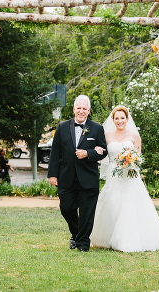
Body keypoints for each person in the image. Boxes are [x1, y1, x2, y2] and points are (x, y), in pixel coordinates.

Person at [89, 105, 159, 252]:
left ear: (127, 119)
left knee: (130, 203)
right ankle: (108, 237)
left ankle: (128, 240)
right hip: (113, 174)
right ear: (113, 120)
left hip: (130, 175)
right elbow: (101, 151)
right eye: (117, 118)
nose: (120, 121)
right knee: (112, 202)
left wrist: (132, 161)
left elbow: (139, 156)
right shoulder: (106, 135)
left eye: (122, 118)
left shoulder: (134, 137)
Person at [47, 95, 109, 252]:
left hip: (88, 178)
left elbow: (103, 152)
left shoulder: (97, 128)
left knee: (87, 212)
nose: (81, 111)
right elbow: (55, 152)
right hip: (66, 176)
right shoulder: (62, 127)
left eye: (84, 108)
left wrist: (88, 153)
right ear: (74, 109)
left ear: (88, 110)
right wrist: (52, 175)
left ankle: (82, 243)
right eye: (79, 108)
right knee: (66, 208)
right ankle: (76, 234)